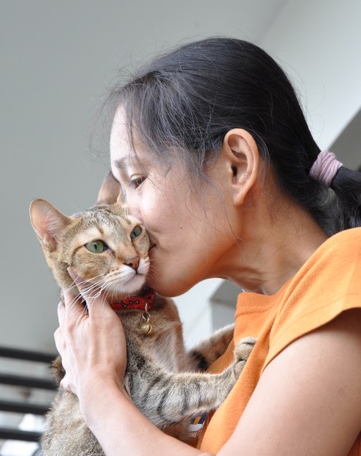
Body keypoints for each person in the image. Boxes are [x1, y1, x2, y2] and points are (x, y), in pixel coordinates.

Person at [54, 37, 361, 455]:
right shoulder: (226, 361)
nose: (130, 220)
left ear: (236, 165)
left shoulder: (349, 266)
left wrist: (98, 393)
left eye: (137, 181)